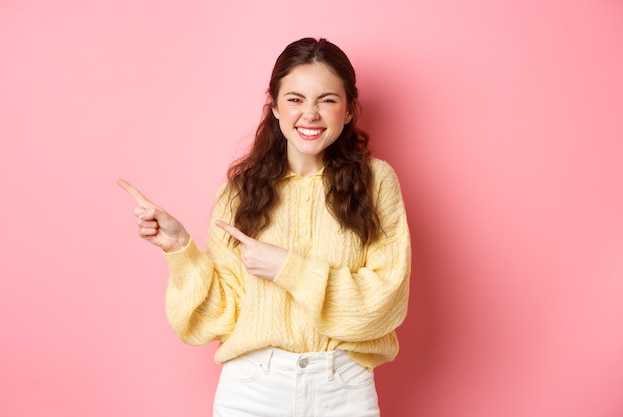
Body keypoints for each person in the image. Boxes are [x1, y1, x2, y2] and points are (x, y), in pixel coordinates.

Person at [119, 37, 411, 417]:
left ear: (350, 110)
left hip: (343, 390)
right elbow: (219, 315)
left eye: (327, 99)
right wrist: (180, 250)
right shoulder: (241, 191)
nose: (310, 114)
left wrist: (288, 269)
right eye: (295, 99)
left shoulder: (377, 182)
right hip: (252, 390)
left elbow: (384, 303)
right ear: (273, 106)